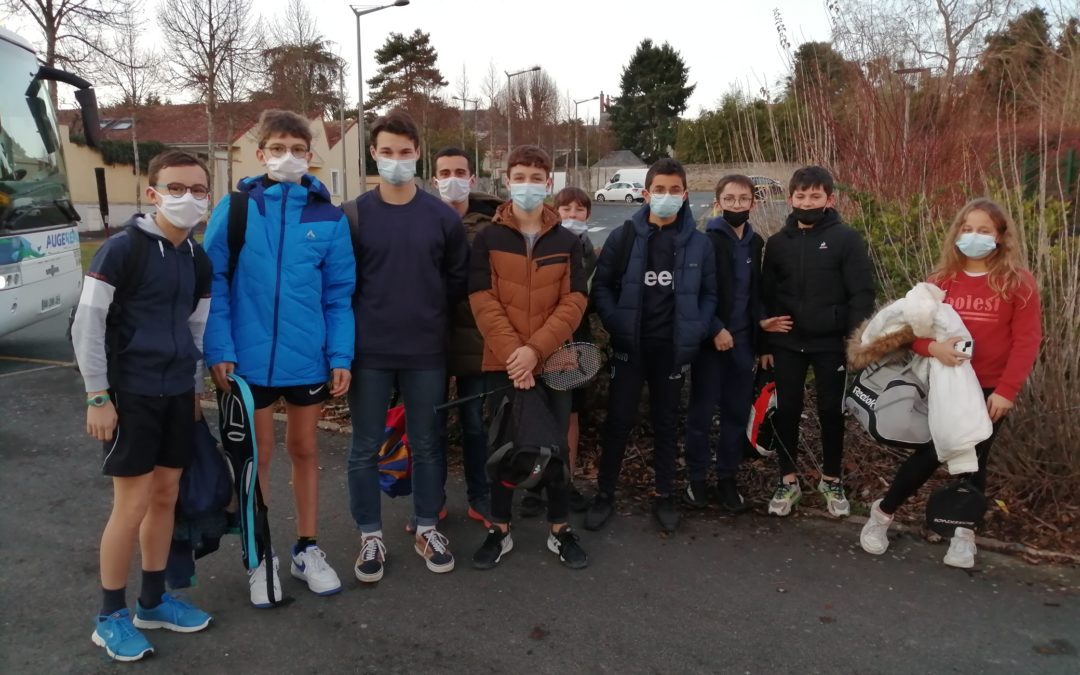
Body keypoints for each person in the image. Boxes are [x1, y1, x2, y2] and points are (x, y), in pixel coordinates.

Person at [203, 110, 356, 606]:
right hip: (248, 362)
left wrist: (341, 354)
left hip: (308, 360)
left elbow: (338, 295)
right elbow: (215, 284)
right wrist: (220, 348)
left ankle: (307, 548)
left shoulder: (329, 218)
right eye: (276, 147)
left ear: (311, 155)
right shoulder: (238, 209)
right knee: (259, 457)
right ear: (260, 154)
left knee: (306, 451)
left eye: (296, 147)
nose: (287, 156)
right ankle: (260, 554)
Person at [72, 150, 214, 661]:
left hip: (176, 391)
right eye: (176, 188)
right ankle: (109, 615)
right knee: (129, 504)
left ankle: (152, 602)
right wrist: (97, 395)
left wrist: (195, 390)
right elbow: (87, 325)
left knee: (165, 497)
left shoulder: (197, 258)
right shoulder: (121, 250)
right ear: (152, 193)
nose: (189, 199)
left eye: (199, 190)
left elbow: (196, 327)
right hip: (129, 393)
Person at [859, 198, 1041, 567]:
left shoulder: (1017, 282)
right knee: (931, 453)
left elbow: (1027, 340)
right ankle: (883, 513)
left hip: (990, 389)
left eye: (984, 230)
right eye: (967, 228)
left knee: (975, 457)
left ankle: (963, 534)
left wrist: (1007, 391)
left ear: (1001, 236)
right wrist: (933, 348)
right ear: (957, 232)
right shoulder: (940, 281)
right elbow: (907, 335)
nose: (974, 236)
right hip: (944, 386)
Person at [346, 110, 469, 582]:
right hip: (369, 353)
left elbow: (456, 282)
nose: (396, 160)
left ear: (417, 153)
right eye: (387, 152)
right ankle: (369, 536)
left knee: (427, 445)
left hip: (425, 353)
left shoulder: (441, 218)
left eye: (405, 152)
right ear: (373, 154)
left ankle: (426, 528)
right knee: (363, 447)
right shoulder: (353, 215)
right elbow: (341, 285)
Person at [469, 145, 589, 570]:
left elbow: (574, 301)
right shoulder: (487, 238)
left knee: (555, 448)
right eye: (519, 177)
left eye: (536, 178)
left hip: (554, 362)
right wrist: (513, 355)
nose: (528, 186)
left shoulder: (567, 241)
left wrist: (534, 351)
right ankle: (498, 531)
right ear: (506, 181)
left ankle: (560, 531)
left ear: (548, 183)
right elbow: (481, 299)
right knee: (503, 448)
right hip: (503, 363)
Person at [585, 158, 717, 533]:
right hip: (631, 348)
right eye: (659, 189)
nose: (667, 196)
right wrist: (616, 323)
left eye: (675, 190)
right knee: (618, 423)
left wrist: (698, 329)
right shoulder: (623, 237)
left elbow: (710, 294)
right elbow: (603, 288)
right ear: (646, 194)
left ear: (686, 194)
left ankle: (665, 495)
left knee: (665, 424)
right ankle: (604, 494)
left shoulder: (699, 244)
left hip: (672, 350)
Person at [759, 165, 874, 518]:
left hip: (830, 345)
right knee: (787, 411)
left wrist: (855, 343)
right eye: (801, 195)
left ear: (829, 199)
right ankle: (787, 479)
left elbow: (862, 293)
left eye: (815, 196)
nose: (807, 201)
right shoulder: (777, 244)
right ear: (790, 198)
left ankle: (831, 478)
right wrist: (764, 341)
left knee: (830, 412)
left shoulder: (847, 239)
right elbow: (766, 294)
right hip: (787, 343)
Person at [684, 175, 765, 515]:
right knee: (702, 414)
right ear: (718, 202)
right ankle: (697, 478)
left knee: (735, 414)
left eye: (742, 199)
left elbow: (758, 295)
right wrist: (715, 328)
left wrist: (763, 342)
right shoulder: (705, 242)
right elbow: (696, 291)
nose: (736, 205)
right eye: (729, 199)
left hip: (744, 342)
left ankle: (727, 478)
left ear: (752, 204)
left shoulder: (757, 242)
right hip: (711, 342)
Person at [435, 146, 502, 527]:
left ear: (472, 178)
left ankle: (481, 496)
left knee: (476, 424)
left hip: (477, 339)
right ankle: (432, 499)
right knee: (430, 426)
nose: (452, 179)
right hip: (432, 340)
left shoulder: (494, 225)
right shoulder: (423, 218)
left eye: (459, 172)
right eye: (445, 173)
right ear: (435, 179)